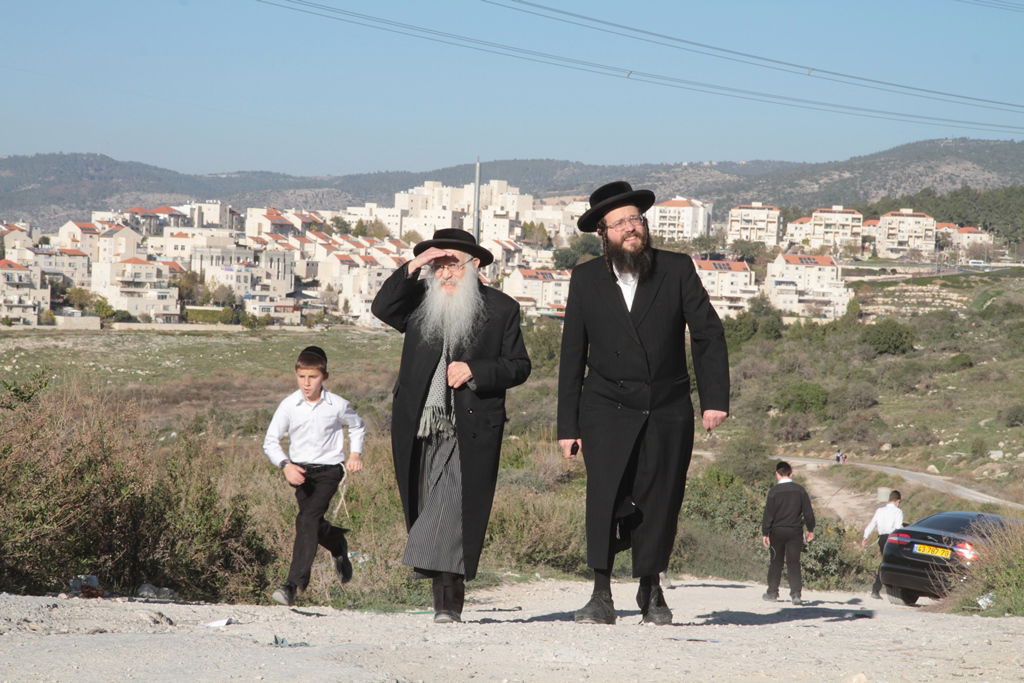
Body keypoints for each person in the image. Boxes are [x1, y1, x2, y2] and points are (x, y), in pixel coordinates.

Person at [557, 181, 730, 626]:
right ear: (603, 232)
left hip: (667, 405)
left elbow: (708, 333)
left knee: (662, 497)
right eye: (621, 222)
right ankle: (600, 593)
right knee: (605, 496)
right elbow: (572, 354)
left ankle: (651, 588)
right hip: (604, 405)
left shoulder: (675, 269)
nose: (632, 228)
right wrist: (567, 425)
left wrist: (714, 399)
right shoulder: (586, 278)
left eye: (637, 219)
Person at [372, 228, 531, 623]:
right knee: (428, 506)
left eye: (452, 264)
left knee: (451, 511)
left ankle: (449, 605)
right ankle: (442, 600)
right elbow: (381, 307)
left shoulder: (502, 309)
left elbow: (519, 366)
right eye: (438, 266)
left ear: (475, 265)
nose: (445, 274)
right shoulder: (417, 305)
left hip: (470, 428)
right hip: (420, 427)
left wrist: (475, 370)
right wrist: (415, 263)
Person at [263, 345, 366, 607]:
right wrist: (285, 464)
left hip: (330, 471)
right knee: (312, 523)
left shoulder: (338, 405)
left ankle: (292, 585)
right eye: (301, 377)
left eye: (313, 377)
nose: (306, 383)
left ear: (324, 377)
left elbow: (357, 426)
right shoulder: (289, 405)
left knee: (306, 518)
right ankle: (337, 543)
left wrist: (355, 455)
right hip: (300, 473)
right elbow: (270, 441)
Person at [761, 461, 816, 606]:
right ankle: (796, 594)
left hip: (777, 531)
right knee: (794, 562)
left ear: (777, 474)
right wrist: (810, 529)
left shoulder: (773, 491)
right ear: (791, 474)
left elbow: (768, 515)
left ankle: (772, 593)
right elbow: (808, 513)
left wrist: (765, 533)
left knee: (775, 561)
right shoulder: (800, 490)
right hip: (795, 532)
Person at [861, 490, 903, 599]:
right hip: (892, 539)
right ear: (898, 501)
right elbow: (898, 528)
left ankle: (880, 589)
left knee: (886, 562)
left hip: (882, 539)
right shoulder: (898, 512)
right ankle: (881, 589)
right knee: (890, 563)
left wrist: (865, 537)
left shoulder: (880, 510)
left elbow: (872, 524)